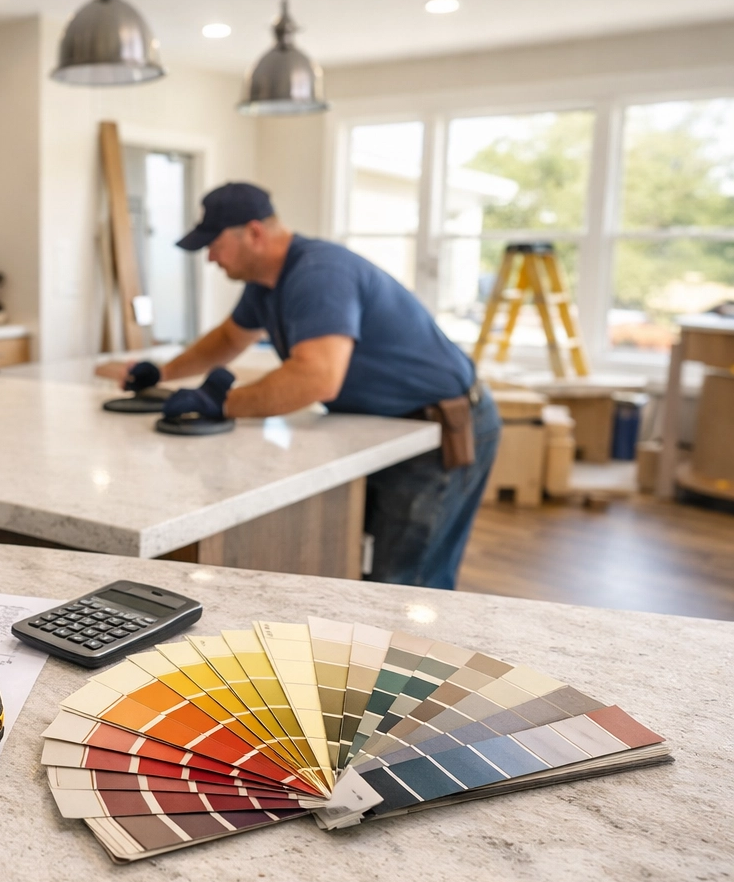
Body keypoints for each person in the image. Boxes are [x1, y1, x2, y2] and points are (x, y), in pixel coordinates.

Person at [99, 182, 499, 590]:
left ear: (254, 233)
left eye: (214, 245)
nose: (210, 258)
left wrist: (222, 403)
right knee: (361, 563)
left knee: (407, 581)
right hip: (383, 426)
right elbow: (228, 339)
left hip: (440, 430)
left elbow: (317, 378)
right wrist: (162, 373)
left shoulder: (318, 274)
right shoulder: (266, 283)